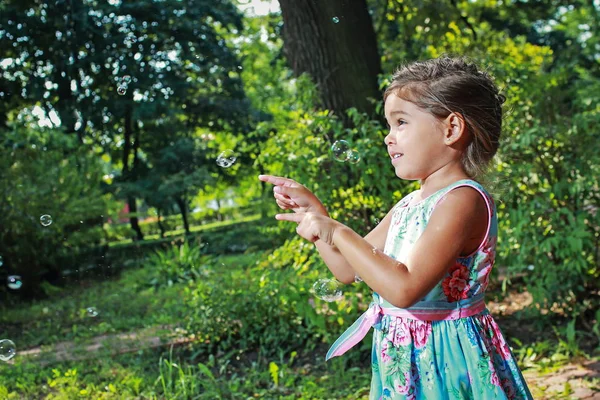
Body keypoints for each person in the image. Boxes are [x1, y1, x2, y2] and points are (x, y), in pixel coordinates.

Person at [258, 56, 532, 399]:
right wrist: (316, 213)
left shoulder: (463, 200)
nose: (389, 137)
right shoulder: (408, 205)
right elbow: (347, 269)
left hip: (448, 359)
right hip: (404, 360)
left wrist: (337, 231)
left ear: (451, 128)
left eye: (401, 122)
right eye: (388, 125)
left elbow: (404, 289)